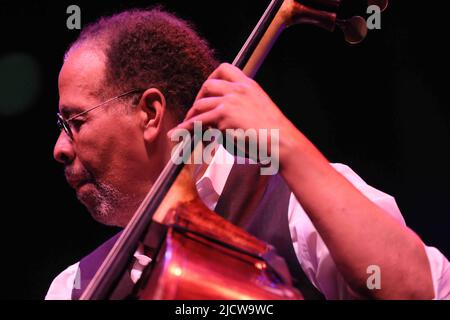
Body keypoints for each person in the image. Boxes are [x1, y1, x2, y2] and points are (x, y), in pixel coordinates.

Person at [46, 8, 449, 300]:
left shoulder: (294, 202)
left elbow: (416, 291)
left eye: (75, 122)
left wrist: (284, 143)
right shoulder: (74, 287)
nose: (59, 149)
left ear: (150, 114)